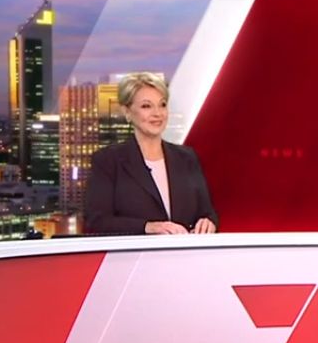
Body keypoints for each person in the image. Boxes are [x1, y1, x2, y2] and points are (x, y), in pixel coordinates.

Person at [85, 72, 219, 235]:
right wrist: (147, 227)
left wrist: (208, 222)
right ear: (127, 112)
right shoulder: (108, 161)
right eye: (146, 106)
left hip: (184, 250)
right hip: (135, 251)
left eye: (162, 105)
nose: (157, 113)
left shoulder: (187, 158)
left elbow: (207, 212)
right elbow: (97, 221)